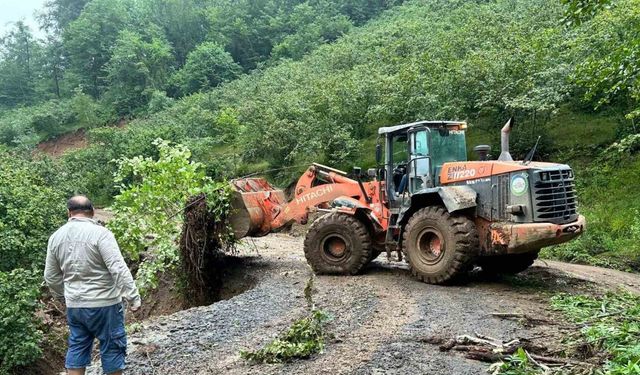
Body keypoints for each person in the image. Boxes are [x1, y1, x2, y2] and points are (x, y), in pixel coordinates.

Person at [44, 196, 141, 375]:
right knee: (112, 347)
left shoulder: (55, 237)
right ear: (93, 212)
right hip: (105, 304)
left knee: (77, 347)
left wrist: (62, 296)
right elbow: (117, 268)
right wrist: (133, 296)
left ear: (69, 213)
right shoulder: (101, 234)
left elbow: (50, 276)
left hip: (75, 305)